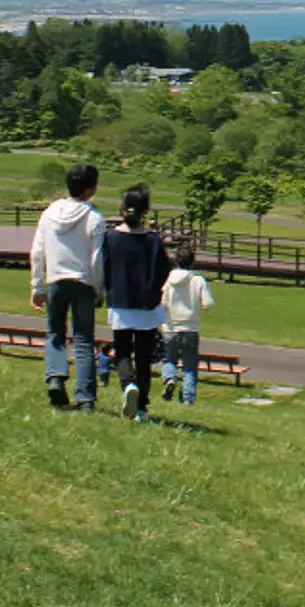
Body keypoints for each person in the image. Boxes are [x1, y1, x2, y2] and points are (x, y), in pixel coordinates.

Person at [29, 163, 107, 412]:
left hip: (55, 280)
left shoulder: (50, 213)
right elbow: (96, 258)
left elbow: (37, 252)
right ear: (90, 189)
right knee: (84, 340)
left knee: (55, 333)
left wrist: (37, 285)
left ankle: (55, 378)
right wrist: (99, 288)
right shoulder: (94, 217)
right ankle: (85, 398)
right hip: (82, 281)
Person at [103, 184, 172, 421]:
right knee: (144, 358)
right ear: (147, 210)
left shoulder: (110, 237)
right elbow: (164, 270)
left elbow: (104, 267)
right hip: (147, 306)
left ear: (121, 208)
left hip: (120, 302)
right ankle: (141, 407)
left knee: (122, 351)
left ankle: (127, 384)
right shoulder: (153, 241)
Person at [159, 241, 216, 405]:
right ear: (192, 261)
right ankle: (188, 398)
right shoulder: (198, 280)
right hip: (190, 327)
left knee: (169, 359)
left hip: (170, 327)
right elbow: (208, 303)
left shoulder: (169, 280)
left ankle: (170, 378)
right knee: (190, 366)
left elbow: (162, 302)